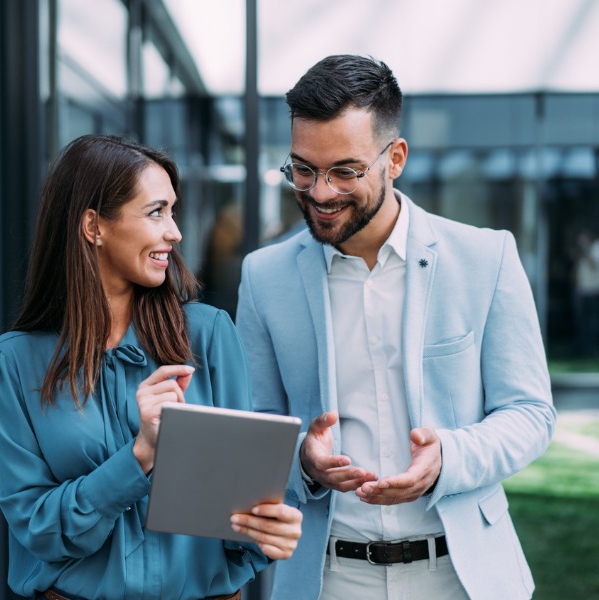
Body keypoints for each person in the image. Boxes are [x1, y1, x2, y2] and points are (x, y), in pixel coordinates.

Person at [235, 55, 556, 600]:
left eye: (345, 171)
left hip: (461, 575)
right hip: (325, 577)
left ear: (396, 158)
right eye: (303, 169)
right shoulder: (263, 277)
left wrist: (447, 459)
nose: (319, 193)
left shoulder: (486, 257)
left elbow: (531, 414)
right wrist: (302, 461)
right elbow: (252, 425)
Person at [0, 134, 302, 600]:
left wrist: (268, 529)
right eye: (156, 212)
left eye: (173, 211)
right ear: (94, 225)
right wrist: (141, 454)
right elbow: (39, 530)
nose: (175, 231)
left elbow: (238, 522)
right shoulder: (12, 363)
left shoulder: (208, 335)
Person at [571, 226, 599, 357]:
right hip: (583, 290)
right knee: (582, 320)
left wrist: (585, 249)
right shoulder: (585, 249)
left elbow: (594, 264)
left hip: (595, 290)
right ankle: (583, 347)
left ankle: (593, 348)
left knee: (593, 321)